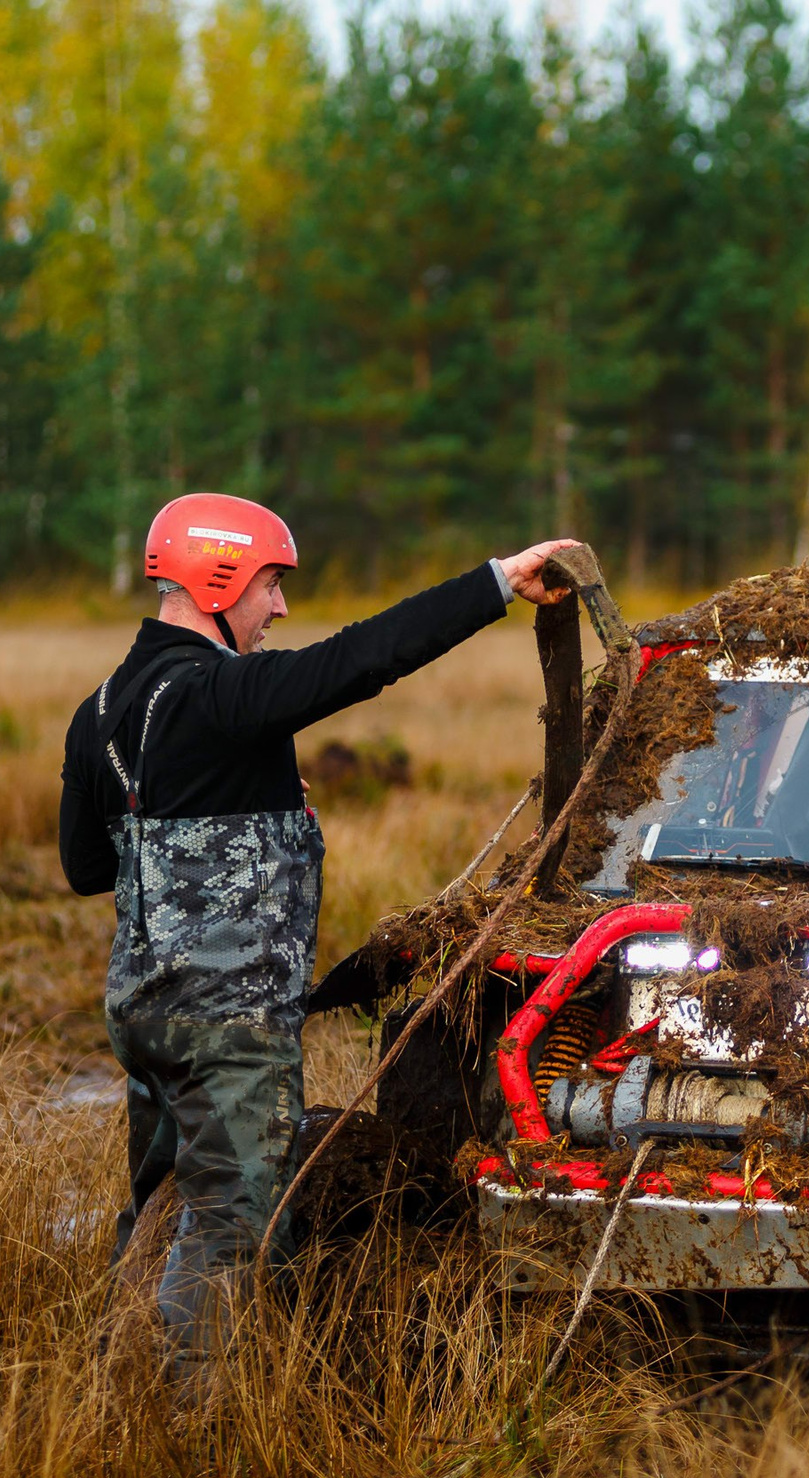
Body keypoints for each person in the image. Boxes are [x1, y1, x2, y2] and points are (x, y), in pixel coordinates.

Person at [59, 493, 577, 1360]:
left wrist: (214, 817)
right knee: (230, 1226)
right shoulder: (221, 695)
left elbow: (86, 870)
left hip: (145, 1019)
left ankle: (117, 1381)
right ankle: (198, 1426)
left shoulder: (100, 711)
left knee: (156, 1213)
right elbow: (358, 660)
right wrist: (494, 584)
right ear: (216, 579)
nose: (281, 608)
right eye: (271, 584)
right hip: (228, 1031)